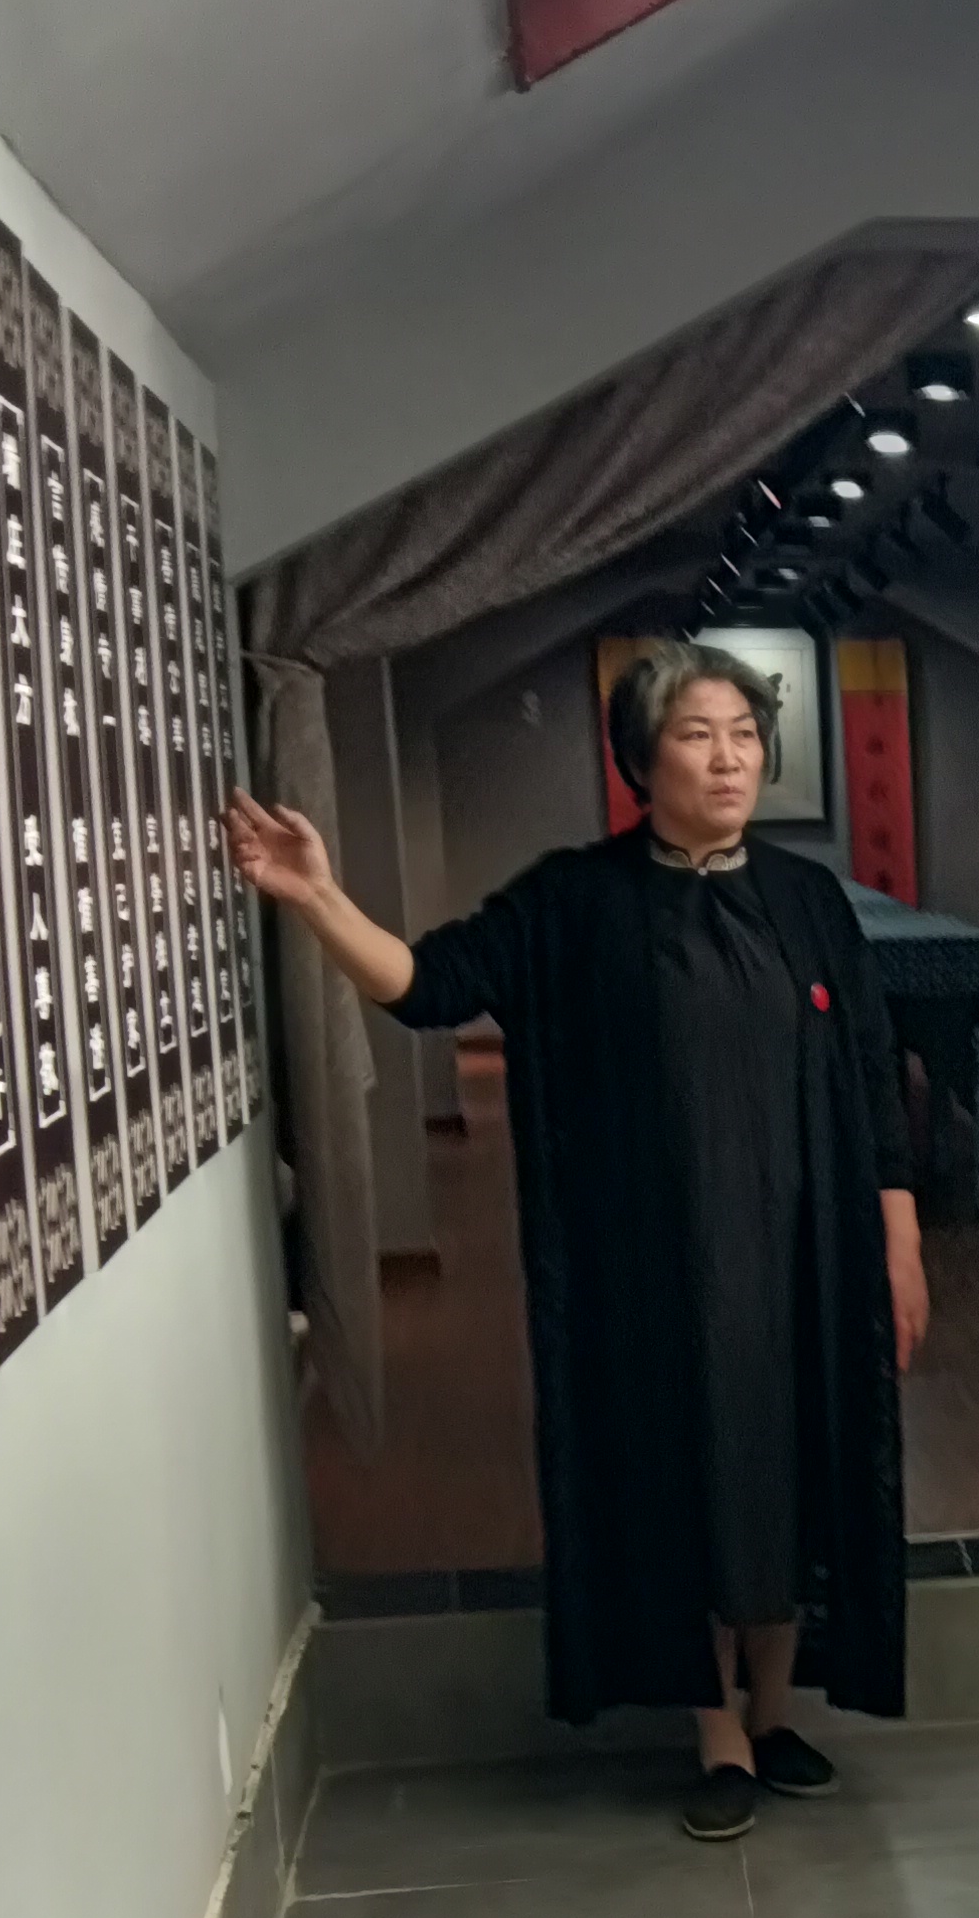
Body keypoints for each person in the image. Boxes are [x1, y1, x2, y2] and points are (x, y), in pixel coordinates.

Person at [226, 640, 929, 1839]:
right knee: (689, 1470)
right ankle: (715, 1730)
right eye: (698, 735)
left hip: (809, 1256)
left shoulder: (809, 900)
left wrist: (898, 1241)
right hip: (660, 1265)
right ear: (641, 760)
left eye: (746, 735)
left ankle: (772, 1712)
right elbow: (427, 985)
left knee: (799, 1464)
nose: (729, 758)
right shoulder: (577, 900)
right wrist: (320, 899)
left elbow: (869, 1074)